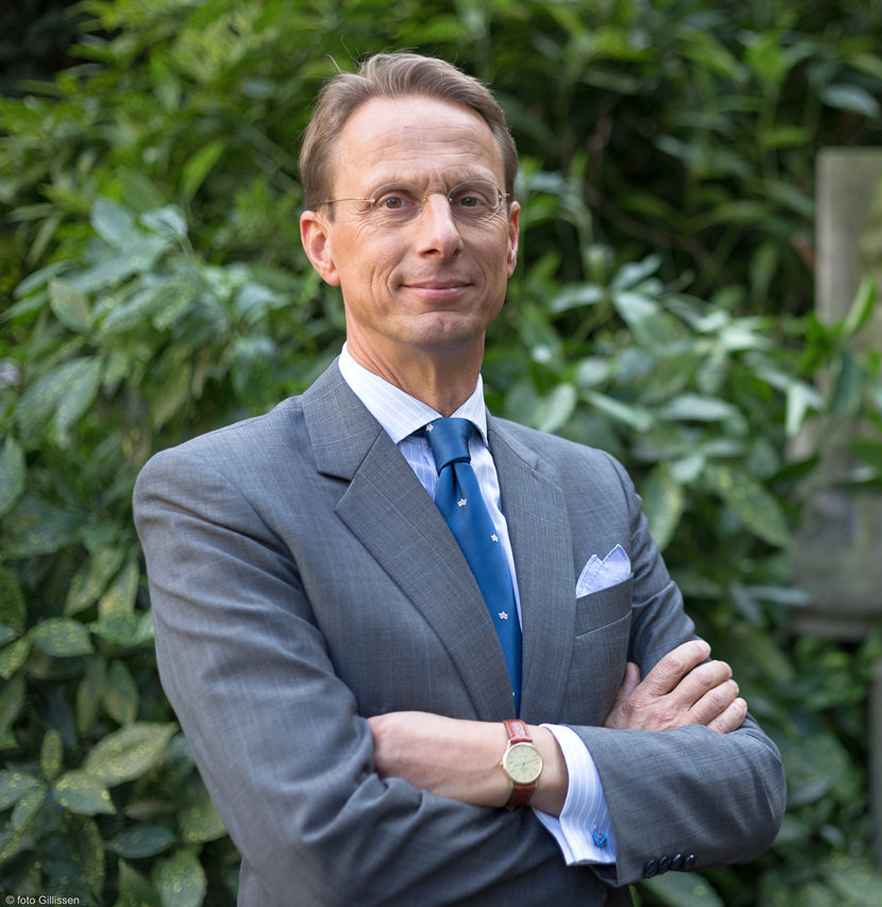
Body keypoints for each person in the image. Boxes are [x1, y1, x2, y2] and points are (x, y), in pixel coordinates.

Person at [132, 52, 784, 907]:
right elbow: (324, 850)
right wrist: (610, 780)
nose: (439, 234)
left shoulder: (593, 489)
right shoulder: (222, 494)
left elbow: (747, 787)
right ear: (321, 244)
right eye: (393, 201)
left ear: (510, 237)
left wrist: (531, 760)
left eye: (470, 200)